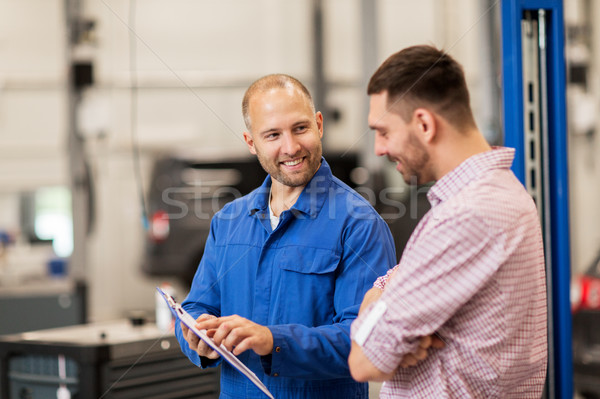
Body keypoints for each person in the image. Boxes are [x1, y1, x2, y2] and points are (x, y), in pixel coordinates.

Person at [174, 73, 397, 399]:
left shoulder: (359, 224)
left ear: (319, 125)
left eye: (300, 128)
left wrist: (273, 341)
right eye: (273, 135)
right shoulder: (228, 222)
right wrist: (194, 336)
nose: (290, 147)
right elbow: (196, 306)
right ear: (252, 143)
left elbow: (367, 339)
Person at [348, 45, 548, 398]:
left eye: (383, 131)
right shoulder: (497, 192)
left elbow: (365, 361)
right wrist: (379, 293)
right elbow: (389, 286)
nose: (378, 148)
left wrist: (373, 310)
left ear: (424, 124)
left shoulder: (468, 215)